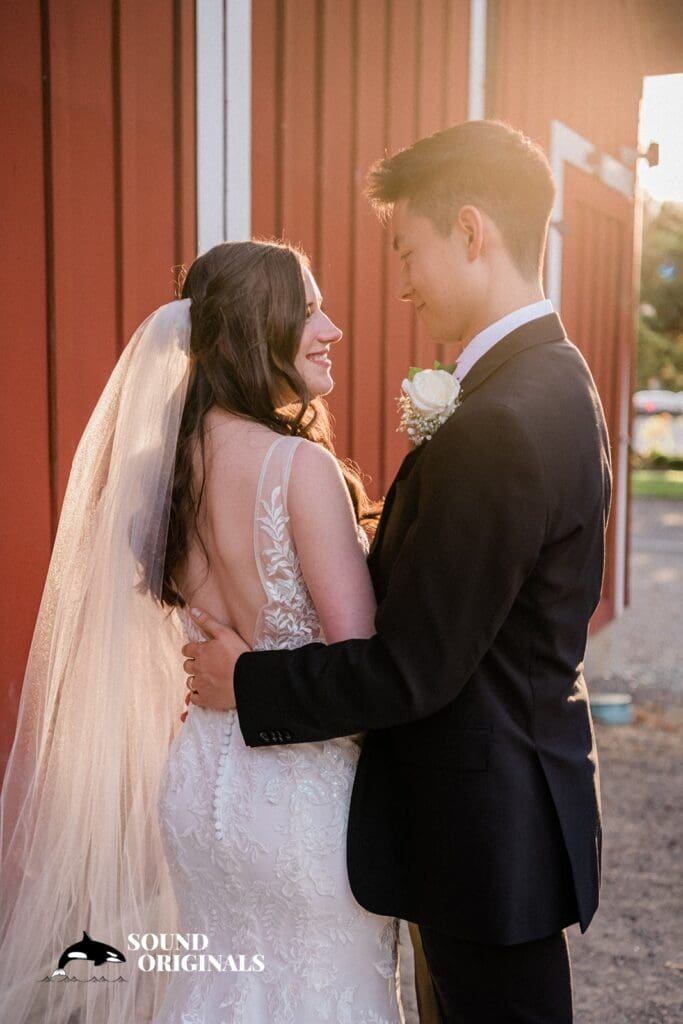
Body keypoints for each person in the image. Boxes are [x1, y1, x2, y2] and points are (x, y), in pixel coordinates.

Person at [182, 120, 613, 1023]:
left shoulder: (500, 420)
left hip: (482, 837)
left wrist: (248, 681)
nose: (403, 283)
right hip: (493, 819)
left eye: (406, 250)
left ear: (468, 230)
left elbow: (414, 667)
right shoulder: (550, 380)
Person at [0, 240, 402, 1024]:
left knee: (216, 991)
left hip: (197, 785)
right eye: (309, 308)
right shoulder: (297, 468)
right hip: (298, 798)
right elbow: (358, 665)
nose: (332, 329)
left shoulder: (166, 470)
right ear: (260, 328)